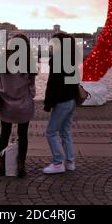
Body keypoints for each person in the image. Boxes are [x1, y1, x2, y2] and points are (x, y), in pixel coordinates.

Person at [0, 34, 37, 178]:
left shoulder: (2, 61)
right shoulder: (29, 64)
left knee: (4, 133)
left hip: (6, 104)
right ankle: (21, 165)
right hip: (23, 106)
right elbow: (32, 91)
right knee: (23, 135)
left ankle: (2, 164)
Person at [43, 32, 79, 174]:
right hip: (71, 100)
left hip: (62, 101)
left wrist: (48, 103)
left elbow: (52, 85)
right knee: (65, 132)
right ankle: (70, 162)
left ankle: (58, 163)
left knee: (51, 132)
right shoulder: (72, 58)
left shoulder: (57, 59)